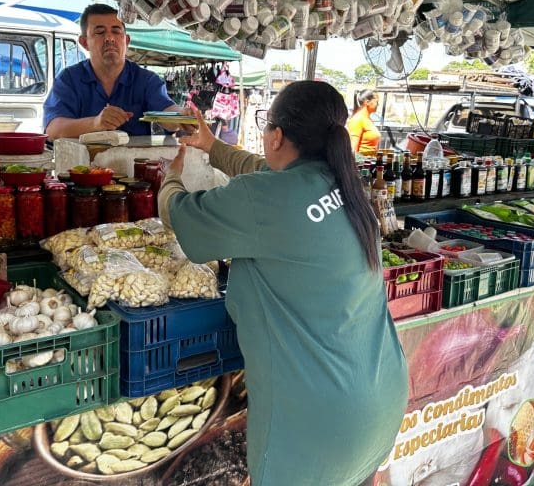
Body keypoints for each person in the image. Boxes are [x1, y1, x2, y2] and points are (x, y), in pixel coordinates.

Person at [158, 80, 408, 486]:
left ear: (275, 135)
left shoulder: (266, 199)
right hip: (379, 396)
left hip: (316, 424)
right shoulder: (344, 184)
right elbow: (263, 174)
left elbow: (178, 213)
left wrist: (171, 176)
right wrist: (212, 147)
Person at [43, 3, 191, 139]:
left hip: (134, 166)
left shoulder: (146, 80)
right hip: (81, 167)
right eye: (100, 32)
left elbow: (166, 111)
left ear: (126, 41)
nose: (109, 38)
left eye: (116, 31)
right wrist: (95, 123)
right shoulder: (69, 79)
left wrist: (182, 116)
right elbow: (53, 130)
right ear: (84, 42)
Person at [347, 88, 381, 156]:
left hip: (370, 163)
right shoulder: (357, 120)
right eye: (376, 101)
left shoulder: (368, 120)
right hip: (362, 165)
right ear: (367, 102)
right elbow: (352, 150)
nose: (378, 104)